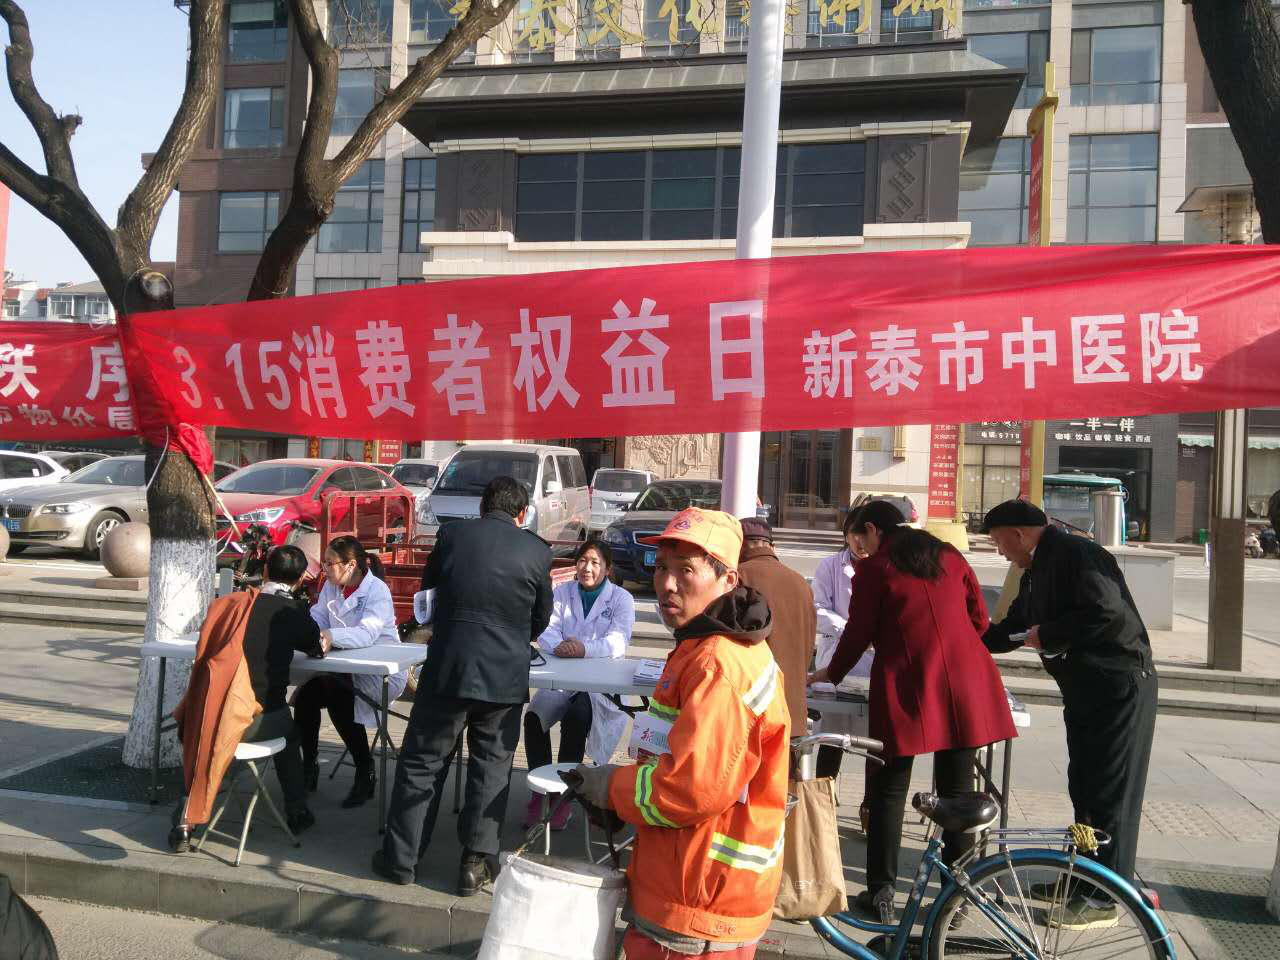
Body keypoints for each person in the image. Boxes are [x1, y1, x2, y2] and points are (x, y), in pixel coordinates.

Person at [569, 508, 790, 959]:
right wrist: (625, 803)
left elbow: (691, 788)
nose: (667, 584)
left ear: (728, 580)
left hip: (697, 901)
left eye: (686, 570)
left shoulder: (717, 663)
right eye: (661, 567)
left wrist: (611, 787)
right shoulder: (703, 647)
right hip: (692, 886)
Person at [809, 500, 1015, 921]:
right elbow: (979, 620)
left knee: (889, 788)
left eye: (861, 539)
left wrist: (829, 673)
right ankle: (956, 898)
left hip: (908, 682)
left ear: (873, 529)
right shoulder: (949, 556)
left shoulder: (876, 569)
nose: (860, 549)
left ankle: (881, 893)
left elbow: (857, 633)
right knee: (958, 792)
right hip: (967, 681)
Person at [981, 499, 1157, 930]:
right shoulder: (1036, 568)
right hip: (1084, 688)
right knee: (1084, 788)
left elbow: (1105, 611)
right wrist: (969, 639)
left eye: (1000, 542)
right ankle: (1082, 878)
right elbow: (1014, 627)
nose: (1000, 552)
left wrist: (1049, 633)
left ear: (1019, 533)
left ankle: (1103, 897)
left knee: (1110, 792)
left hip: (1118, 684)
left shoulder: (1077, 554)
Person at [375, 476, 553, 895]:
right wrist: (513, 637)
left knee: (423, 763)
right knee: (490, 769)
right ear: (522, 513)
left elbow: (428, 597)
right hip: (503, 677)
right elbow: (541, 618)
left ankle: (401, 860)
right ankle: (475, 865)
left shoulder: (452, 536)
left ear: (482, 507)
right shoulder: (537, 551)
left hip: (448, 668)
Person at [169, 545, 326, 852]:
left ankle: (184, 823)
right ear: (299, 581)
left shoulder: (231, 605)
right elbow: (316, 648)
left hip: (212, 713)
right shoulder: (293, 613)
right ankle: (297, 812)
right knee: (290, 736)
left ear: (265, 571)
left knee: (207, 744)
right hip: (258, 719)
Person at [524, 538, 635, 830]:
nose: (588, 568)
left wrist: (583, 649)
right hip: (562, 677)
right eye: (583, 561)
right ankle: (540, 794)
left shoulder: (621, 599)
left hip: (599, 684)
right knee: (534, 719)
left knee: (577, 717)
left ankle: (564, 795)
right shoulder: (563, 592)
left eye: (595, 562)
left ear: (607, 569)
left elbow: (618, 641)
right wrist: (561, 646)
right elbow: (547, 629)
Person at [296, 535, 406, 810]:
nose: (324, 569)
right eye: (324, 563)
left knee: (338, 697)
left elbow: (367, 633)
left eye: (329, 563)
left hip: (380, 671)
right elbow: (318, 616)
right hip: (342, 666)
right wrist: (308, 632)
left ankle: (364, 770)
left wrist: (331, 636)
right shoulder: (331, 586)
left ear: (350, 565)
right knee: (306, 697)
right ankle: (308, 765)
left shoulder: (377, 590)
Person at [736, 516, 814, 736]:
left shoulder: (737, 577)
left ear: (739, 546)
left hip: (751, 717)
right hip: (793, 713)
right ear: (772, 546)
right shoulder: (801, 582)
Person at [810, 507, 872, 780]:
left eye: (863, 535)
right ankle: (824, 794)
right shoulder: (830, 566)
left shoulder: (884, 568)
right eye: (853, 535)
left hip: (872, 664)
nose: (859, 542)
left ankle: (871, 800)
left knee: (873, 742)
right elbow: (818, 609)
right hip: (836, 660)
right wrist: (852, 631)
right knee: (831, 739)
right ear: (846, 535)